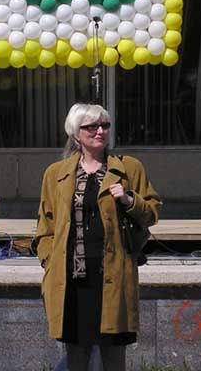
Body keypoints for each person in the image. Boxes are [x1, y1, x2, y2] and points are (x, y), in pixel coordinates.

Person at [33, 103, 162, 371]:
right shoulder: (56, 173)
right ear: (75, 134)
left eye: (105, 125)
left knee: (113, 359)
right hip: (72, 280)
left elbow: (152, 213)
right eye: (92, 127)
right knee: (76, 358)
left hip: (112, 278)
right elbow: (46, 225)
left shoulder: (129, 168)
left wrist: (129, 200)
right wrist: (49, 261)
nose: (100, 131)